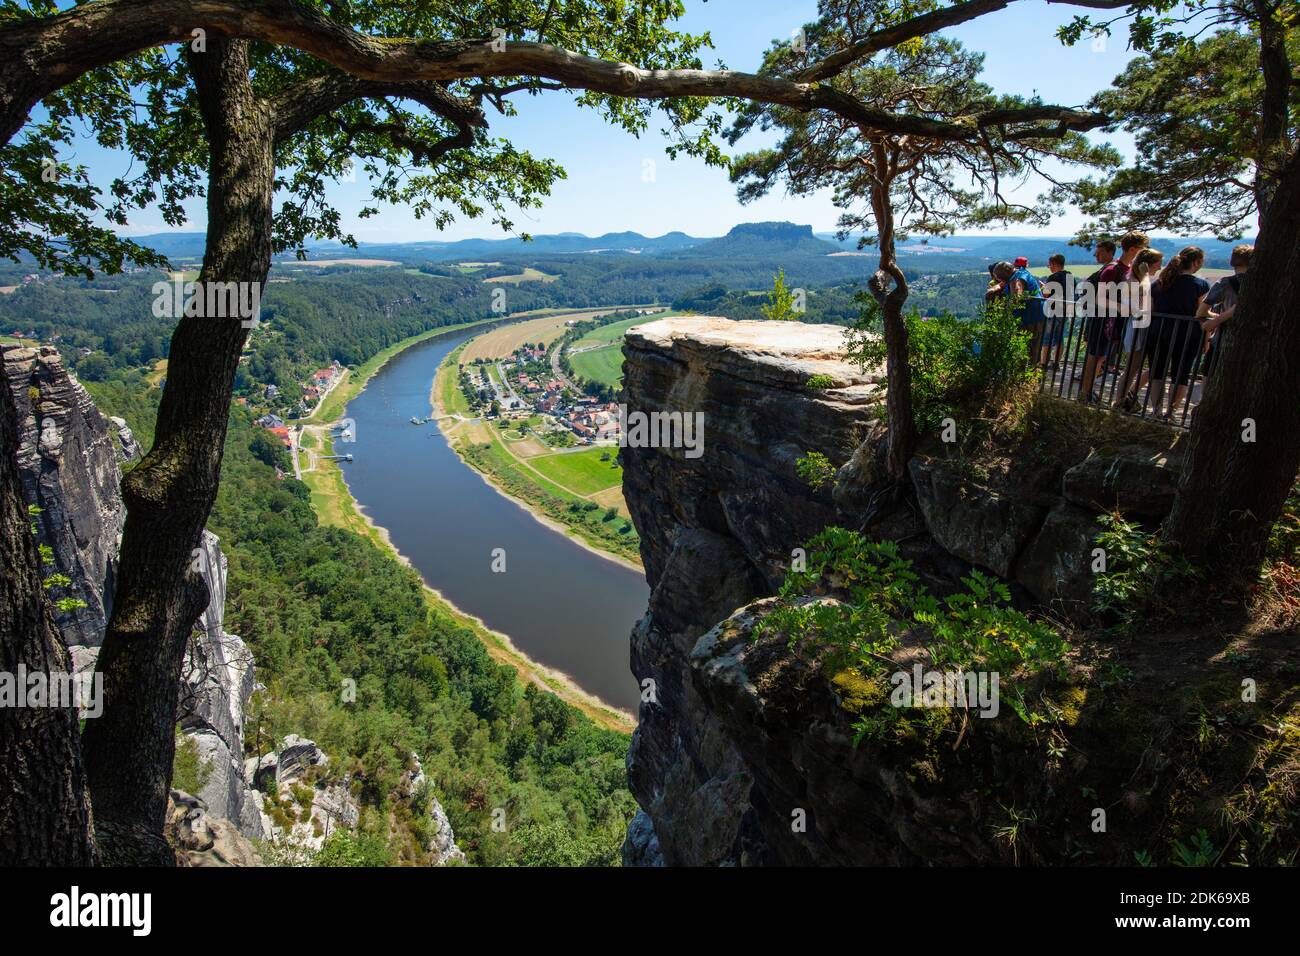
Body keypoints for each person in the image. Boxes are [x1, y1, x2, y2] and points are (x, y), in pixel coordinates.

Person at [1078, 233, 1146, 403]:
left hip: (1111, 320)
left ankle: (1088, 391)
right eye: (1141, 249)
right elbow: (1100, 298)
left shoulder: (1125, 269)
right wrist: (1126, 308)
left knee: (1100, 357)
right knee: (1095, 355)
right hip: (1101, 319)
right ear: (1132, 249)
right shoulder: (1112, 270)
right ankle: (1085, 394)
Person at [1148, 246, 1208, 421]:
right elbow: (1201, 312)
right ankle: (1171, 412)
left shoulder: (1159, 283)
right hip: (1187, 334)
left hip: (1158, 331)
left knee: (1157, 371)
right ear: (1196, 262)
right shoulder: (1200, 285)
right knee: (1180, 373)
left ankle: (1156, 410)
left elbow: (1151, 309)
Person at [1117, 248, 1164, 410]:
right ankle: (1120, 401)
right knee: (1132, 368)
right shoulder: (1133, 280)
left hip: (1140, 325)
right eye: (1158, 264)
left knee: (1134, 367)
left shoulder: (1134, 278)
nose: (1159, 267)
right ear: (1147, 265)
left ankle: (1124, 399)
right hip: (1137, 326)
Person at [1197, 243, 1252, 377]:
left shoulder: (1225, 283)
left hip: (1223, 339)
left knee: (1209, 377)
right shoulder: (1262, 284)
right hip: (1251, 341)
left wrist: (1215, 318)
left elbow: (1201, 312)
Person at [1003, 256, 1047, 359]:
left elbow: (1019, 290)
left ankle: (1026, 371)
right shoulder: (1023, 274)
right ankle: (1032, 371)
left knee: (1028, 346)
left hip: (1030, 317)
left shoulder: (1019, 274)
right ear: (1027, 265)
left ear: (1014, 265)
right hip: (1037, 314)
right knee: (1034, 346)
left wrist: (1013, 301)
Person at [1041, 253, 1071, 369]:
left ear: (1053, 264)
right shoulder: (1070, 276)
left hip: (1053, 311)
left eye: (1049, 265)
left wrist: (1044, 287)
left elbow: (1046, 294)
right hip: (1065, 311)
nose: (1049, 268)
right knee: (1059, 338)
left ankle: (1043, 364)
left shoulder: (1053, 277)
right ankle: (1056, 363)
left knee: (1047, 337)